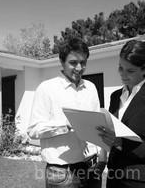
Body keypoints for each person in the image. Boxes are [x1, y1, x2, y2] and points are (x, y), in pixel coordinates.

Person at [27, 37, 107, 188]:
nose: (79, 68)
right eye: (73, 63)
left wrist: (102, 154)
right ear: (62, 62)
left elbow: (97, 124)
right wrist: (67, 125)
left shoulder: (91, 88)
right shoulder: (46, 88)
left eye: (83, 63)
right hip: (62, 173)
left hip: (92, 167)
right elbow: (33, 130)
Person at [97, 40, 145, 188]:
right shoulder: (115, 96)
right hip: (113, 175)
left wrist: (121, 143)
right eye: (120, 68)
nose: (123, 75)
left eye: (130, 71)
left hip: (138, 180)